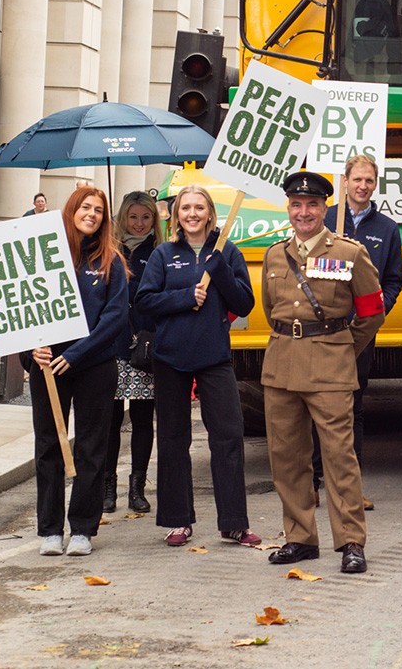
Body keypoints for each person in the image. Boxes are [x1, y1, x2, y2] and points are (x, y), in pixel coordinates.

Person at [262, 171, 386, 574]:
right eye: (296, 205)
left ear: (324, 208)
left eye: (312, 205)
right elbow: (271, 310)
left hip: (331, 369)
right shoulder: (274, 255)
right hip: (281, 367)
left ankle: (351, 540)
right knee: (287, 458)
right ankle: (300, 538)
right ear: (289, 209)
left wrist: (343, 347)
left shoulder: (349, 253)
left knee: (338, 457)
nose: (304, 212)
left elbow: (370, 311)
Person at [135, 185, 259, 548]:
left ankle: (234, 522)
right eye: (186, 208)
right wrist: (184, 297)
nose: (192, 214)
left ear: (209, 213)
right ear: (177, 216)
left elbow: (246, 303)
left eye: (199, 207)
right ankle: (177, 521)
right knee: (173, 440)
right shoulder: (163, 254)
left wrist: (220, 272)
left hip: (214, 357)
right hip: (170, 358)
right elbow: (144, 302)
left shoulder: (226, 252)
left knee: (229, 436)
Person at [25, 186, 128, 557]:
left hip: (94, 366)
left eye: (99, 210)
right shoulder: (45, 257)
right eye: (86, 207)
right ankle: (50, 529)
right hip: (47, 366)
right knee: (49, 446)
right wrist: (30, 351)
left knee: (91, 447)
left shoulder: (111, 261)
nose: (92, 214)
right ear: (71, 211)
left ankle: (83, 527)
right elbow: (23, 306)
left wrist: (80, 353)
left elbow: (115, 317)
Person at [319, 153, 402, 510]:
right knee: (313, 404)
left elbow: (393, 280)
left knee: (352, 408)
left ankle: (350, 488)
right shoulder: (323, 219)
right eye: (358, 180)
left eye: (369, 181)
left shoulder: (387, 228)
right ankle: (312, 481)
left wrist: (374, 316)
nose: (363, 186)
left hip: (359, 335)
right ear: (346, 181)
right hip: (318, 331)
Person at [102, 190, 161, 515]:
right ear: (123, 217)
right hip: (111, 346)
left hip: (144, 347)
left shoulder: (160, 252)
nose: (139, 224)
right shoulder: (110, 251)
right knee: (109, 420)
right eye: (133, 217)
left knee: (141, 420)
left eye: (146, 217)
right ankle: (107, 486)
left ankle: (137, 487)